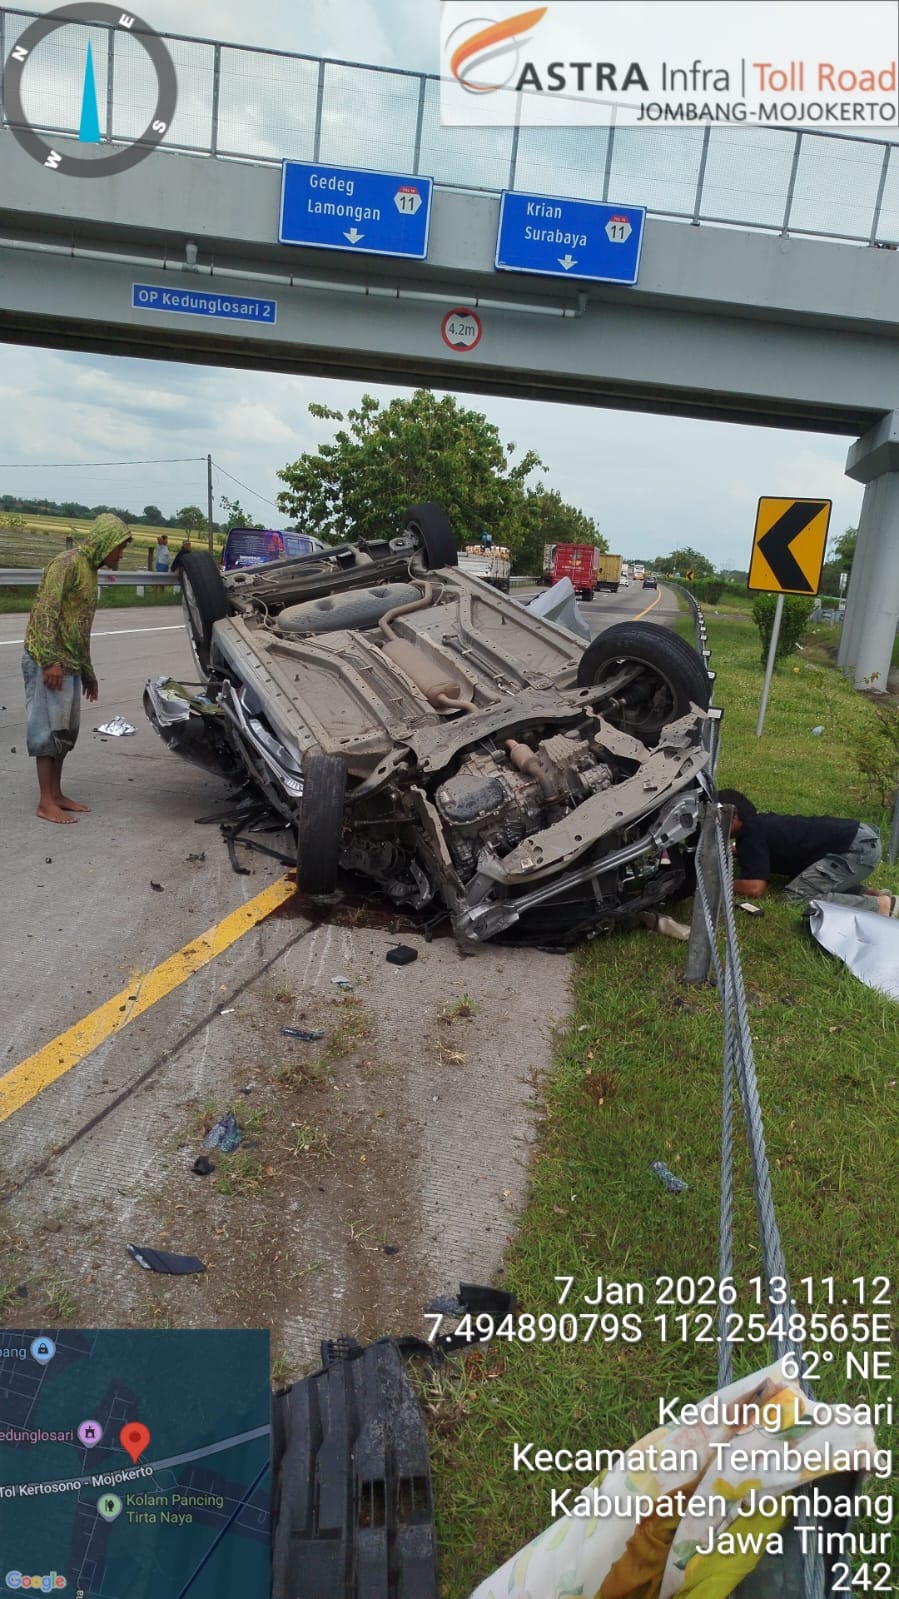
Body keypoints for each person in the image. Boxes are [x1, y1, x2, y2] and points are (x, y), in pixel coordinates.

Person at [22, 513, 132, 824]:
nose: (120, 554)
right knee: (46, 730)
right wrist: (50, 660)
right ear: (105, 542)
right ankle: (45, 801)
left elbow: (80, 627)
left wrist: (88, 672)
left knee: (65, 732)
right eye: (119, 547)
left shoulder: (91, 571)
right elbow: (46, 610)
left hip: (69, 663)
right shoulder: (67, 563)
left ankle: (56, 794)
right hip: (48, 661)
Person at [716, 789, 882, 904]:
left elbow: (754, 887)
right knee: (803, 882)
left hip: (857, 849)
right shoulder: (758, 825)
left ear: (732, 815)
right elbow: (764, 848)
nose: (714, 825)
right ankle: (869, 894)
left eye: (716, 818)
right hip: (858, 838)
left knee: (793, 898)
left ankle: (877, 906)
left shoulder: (750, 835)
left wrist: (717, 884)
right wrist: (738, 851)